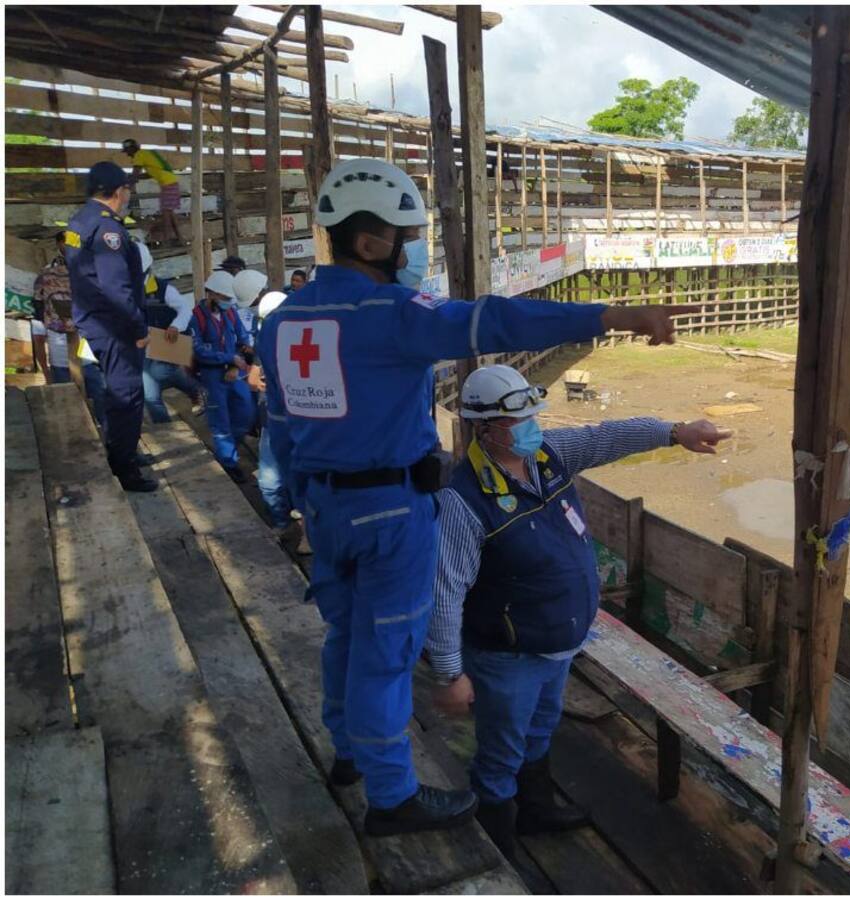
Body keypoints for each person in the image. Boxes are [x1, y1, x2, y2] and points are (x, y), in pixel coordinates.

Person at [256, 157, 694, 838]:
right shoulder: (392, 312)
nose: (412, 250)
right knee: (386, 655)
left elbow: (281, 427)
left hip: (324, 505)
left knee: (344, 637)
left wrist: (301, 503)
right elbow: (495, 322)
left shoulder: (284, 321)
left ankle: (349, 753)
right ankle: (392, 796)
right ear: (372, 243)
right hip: (391, 511)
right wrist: (611, 314)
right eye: (406, 237)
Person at [428, 365, 731, 856]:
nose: (532, 426)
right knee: (500, 752)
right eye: (518, 419)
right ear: (484, 428)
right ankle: (498, 850)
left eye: (532, 414)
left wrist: (675, 433)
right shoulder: (463, 502)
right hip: (509, 657)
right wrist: (448, 673)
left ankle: (537, 810)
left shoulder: (550, 457)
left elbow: (607, 437)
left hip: (559, 645)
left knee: (541, 729)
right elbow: (445, 593)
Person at [64, 160, 156, 492]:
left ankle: (123, 450)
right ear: (118, 192)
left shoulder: (80, 220)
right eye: (128, 188)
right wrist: (138, 330)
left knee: (118, 392)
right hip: (115, 327)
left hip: (94, 319)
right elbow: (116, 289)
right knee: (127, 395)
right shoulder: (108, 231)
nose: (129, 194)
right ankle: (124, 469)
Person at [188, 270, 256, 484]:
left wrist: (238, 361)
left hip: (235, 372)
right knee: (220, 422)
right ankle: (229, 463)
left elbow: (242, 337)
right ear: (211, 294)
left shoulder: (230, 313)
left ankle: (231, 447)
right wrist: (228, 359)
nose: (228, 302)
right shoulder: (195, 317)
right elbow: (198, 350)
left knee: (246, 412)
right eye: (225, 298)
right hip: (211, 377)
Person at [246, 289, 300, 537]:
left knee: (304, 478)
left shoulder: (307, 339)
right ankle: (281, 521)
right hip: (273, 418)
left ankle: (306, 527)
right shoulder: (265, 342)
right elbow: (253, 379)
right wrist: (263, 384)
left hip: (305, 422)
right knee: (269, 480)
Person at [139, 242, 204, 424]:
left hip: (167, 343)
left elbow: (185, 309)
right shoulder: (125, 289)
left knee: (159, 372)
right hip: (143, 346)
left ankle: (195, 389)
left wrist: (175, 326)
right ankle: (164, 426)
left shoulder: (163, 288)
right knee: (150, 396)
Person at [122, 139, 182, 245]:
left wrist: (127, 187)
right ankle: (180, 238)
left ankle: (167, 241)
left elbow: (136, 173)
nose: (127, 154)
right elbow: (150, 174)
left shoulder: (139, 155)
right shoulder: (147, 153)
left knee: (166, 213)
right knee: (170, 212)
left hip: (167, 183)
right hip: (172, 181)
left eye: (127, 151)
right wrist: (134, 177)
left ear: (132, 149)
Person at [33, 231, 75, 384]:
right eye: (66, 242)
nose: (70, 246)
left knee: (96, 391)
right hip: (59, 343)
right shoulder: (47, 272)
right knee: (64, 389)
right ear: (58, 244)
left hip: (87, 346)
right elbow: (38, 306)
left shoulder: (87, 270)